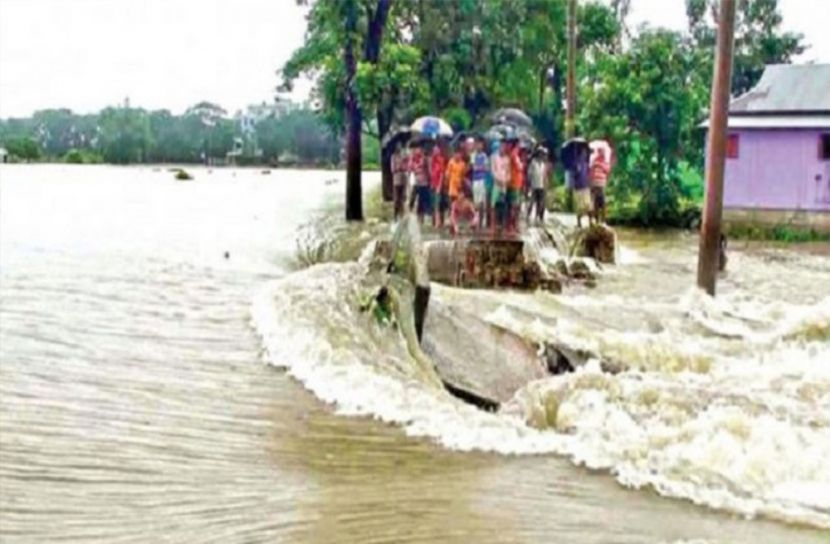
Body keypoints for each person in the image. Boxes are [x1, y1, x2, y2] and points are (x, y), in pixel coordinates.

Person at [490, 141, 511, 236]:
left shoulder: (507, 159)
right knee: (493, 205)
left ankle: (501, 225)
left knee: (502, 206)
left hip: (504, 184)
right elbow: (493, 170)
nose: (503, 149)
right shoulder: (494, 158)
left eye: (504, 147)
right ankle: (493, 225)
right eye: (501, 147)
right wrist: (498, 180)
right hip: (496, 184)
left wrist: (506, 180)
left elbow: (509, 172)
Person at [527, 147, 550, 224]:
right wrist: (529, 183)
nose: (542, 156)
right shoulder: (533, 163)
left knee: (540, 202)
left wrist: (546, 183)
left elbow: (545, 175)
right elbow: (529, 174)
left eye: (543, 154)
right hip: (534, 185)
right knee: (532, 201)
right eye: (541, 154)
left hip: (541, 185)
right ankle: (528, 215)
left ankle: (537, 216)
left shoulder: (544, 164)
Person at [469, 139, 490, 229]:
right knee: (476, 201)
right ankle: (476, 220)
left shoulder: (484, 156)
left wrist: (480, 167)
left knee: (482, 202)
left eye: (480, 145)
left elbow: (486, 168)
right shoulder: (473, 155)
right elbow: (474, 168)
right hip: (475, 180)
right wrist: (481, 167)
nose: (479, 146)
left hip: (482, 180)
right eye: (477, 144)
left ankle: (480, 222)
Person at [589, 146, 611, 225]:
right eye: (600, 151)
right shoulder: (595, 162)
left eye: (602, 152)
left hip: (601, 184)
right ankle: (598, 220)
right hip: (596, 184)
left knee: (602, 202)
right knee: (597, 202)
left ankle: (602, 221)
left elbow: (607, 171)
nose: (602, 153)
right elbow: (591, 172)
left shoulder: (603, 162)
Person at [409, 146, 431, 223]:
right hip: (416, 182)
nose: (418, 151)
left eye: (419, 149)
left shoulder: (424, 158)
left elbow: (424, 166)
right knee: (413, 199)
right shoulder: (412, 159)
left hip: (424, 182)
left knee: (422, 201)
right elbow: (410, 168)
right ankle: (411, 214)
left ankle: (422, 218)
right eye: (416, 149)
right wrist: (412, 159)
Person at [508, 140, 525, 234]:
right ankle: (512, 225)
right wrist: (522, 164)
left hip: (517, 183)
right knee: (514, 205)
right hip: (514, 183)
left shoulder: (515, 155)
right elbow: (520, 167)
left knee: (515, 205)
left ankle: (513, 224)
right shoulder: (514, 155)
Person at [573, 144, 592, 228]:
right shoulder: (577, 163)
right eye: (583, 152)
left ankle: (590, 222)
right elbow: (574, 175)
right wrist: (577, 170)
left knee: (588, 205)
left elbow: (588, 173)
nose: (584, 154)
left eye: (585, 152)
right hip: (579, 187)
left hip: (586, 185)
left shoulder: (586, 163)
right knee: (580, 206)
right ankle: (579, 222)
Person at [430, 144, 448, 228]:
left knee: (439, 204)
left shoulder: (441, 160)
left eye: (436, 150)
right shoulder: (432, 161)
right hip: (433, 184)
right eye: (434, 150)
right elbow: (431, 173)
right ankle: (435, 222)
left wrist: (439, 186)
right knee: (434, 204)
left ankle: (438, 222)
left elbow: (442, 174)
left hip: (439, 185)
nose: (435, 152)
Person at [391, 144, 409, 220]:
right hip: (396, 180)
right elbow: (393, 169)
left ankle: (402, 215)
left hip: (403, 179)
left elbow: (407, 167)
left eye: (400, 146)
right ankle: (395, 215)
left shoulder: (404, 156)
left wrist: (404, 163)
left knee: (403, 198)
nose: (399, 148)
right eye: (398, 146)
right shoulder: (393, 157)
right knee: (396, 198)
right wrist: (399, 167)